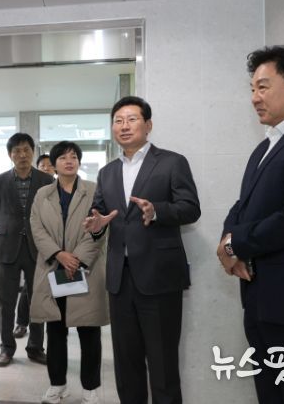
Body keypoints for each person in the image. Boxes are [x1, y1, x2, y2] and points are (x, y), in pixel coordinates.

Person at [217, 43, 284, 404]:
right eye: (252, 89)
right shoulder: (267, 145)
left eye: (263, 87)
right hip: (263, 300)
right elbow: (242, 206)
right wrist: (227, 238)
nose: (255, 98)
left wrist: (234, 244)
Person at [84, 96, 200, 404]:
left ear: (148, 125)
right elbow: (100, 214)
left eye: (132, 119)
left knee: (162, 366)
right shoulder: (107, 172)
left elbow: (191, 208)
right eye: (118, 121)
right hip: (119, 281)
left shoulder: (172, 162)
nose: (124, 126)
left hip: (159, 278)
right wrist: (97, 225)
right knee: (126, 364)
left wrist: (157, 211)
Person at [30, 141, 109, 404]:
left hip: (85, 270)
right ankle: (58, 385)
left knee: (89, 332)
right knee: (55, 331)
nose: (69, 161)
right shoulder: (43, 194)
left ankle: (90, 388)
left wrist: (77, 259)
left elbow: (99, 229)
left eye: (73, 157)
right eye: (63, 157)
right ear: (54, 165)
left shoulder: (93, 190)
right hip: (53, 268)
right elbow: (36, 228)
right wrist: (59, 254)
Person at [0, 133, 54, 367]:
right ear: (10, 155)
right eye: (17, 151)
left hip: (38, 248)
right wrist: (11, 229)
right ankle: (6, 348)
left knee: (38, 300)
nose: (22, 155)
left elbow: (52, 213)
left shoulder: (47, 180)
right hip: (8, 248)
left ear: (33, 152)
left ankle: (35, 347)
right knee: (6, 302)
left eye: (26, 150)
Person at [13, 153, 57, 339]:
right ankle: (22, 323)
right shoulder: (30, 187)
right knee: (29, 288)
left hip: (54, 244)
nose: (46, 168)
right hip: (32, 244)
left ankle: (50, 322)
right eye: (42, 165)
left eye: (49, 165)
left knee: (52, 286)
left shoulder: (58, 187)